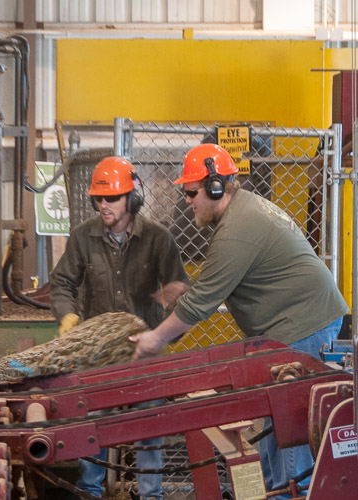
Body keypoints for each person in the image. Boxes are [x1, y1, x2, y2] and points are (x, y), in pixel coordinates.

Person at [129, 143, 349, 498]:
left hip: (303, 328)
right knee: (276, 425)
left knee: (288, 432)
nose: (188, 200)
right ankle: (275, 489)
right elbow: (204, 293)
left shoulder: (236, 230)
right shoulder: (242, 215)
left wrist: (155, 339)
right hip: (296, 325)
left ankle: (292, 491)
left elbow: (201, 304)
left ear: (216, 187)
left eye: (191, 191)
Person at [50, 156, 189, 500]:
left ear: (133, 198)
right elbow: (62, 284)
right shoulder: (83, 237)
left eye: (111, 198)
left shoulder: (159, 239)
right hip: (98, 354)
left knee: (148, 426)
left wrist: (169, 314)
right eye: (99, 199)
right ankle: (89, 491)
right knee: (92, 425)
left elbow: (181, 293)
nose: (103, 205)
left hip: (145, 351)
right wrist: (67, 316)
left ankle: (150, 494)